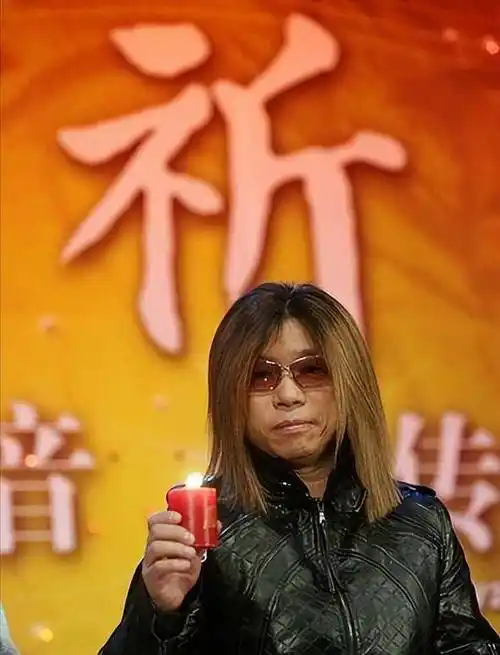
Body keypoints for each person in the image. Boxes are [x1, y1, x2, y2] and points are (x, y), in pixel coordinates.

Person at [99, 282, 500, 654]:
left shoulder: (421, 522)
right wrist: (161, 616)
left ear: (350, 381)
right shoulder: (202, 534)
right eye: (261, 376)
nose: (288, 395)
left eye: (312, 370)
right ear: (229, 395)